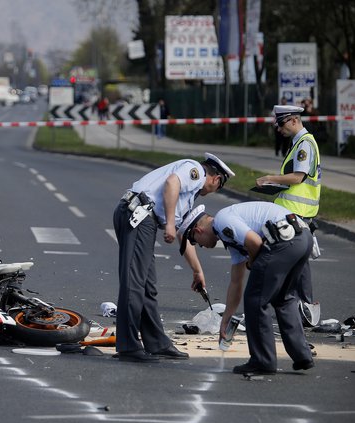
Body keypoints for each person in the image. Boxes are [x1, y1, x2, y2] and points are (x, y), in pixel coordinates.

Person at [112, 153, 235, 362]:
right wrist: (169, 222)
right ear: (216, 179)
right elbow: (172, 182)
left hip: (143, 220)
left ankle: (157, 343)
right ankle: (128, 346)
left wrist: (197, 271)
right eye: (218, 187)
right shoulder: (195, 171)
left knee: (147, 287)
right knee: (134, 283)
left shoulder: (188, 196)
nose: (213, 190)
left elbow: (182, 233)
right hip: (139, 216)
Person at [177, 201, 315, 375]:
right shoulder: (230, 235)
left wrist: (252, 262)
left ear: (198, 231)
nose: (202, 246)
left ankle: (262, 361)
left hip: (284, 242)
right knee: (283, 299)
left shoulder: (222, 220)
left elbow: (254, 242)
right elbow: (236, 282)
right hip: (301, 238)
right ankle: (302, 355)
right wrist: (225, 320)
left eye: (196, 242)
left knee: (256, 300)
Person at [256, 105, 321, 324]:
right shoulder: (298, 143)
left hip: (298, 212)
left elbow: (298, 177)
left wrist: (270, 178)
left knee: (296, 261)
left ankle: (304, 308)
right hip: (295, 211)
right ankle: (302, 308)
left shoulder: (305, 144)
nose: (278, 128)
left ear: (294, 120)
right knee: (297, 261)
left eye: (281, 123)